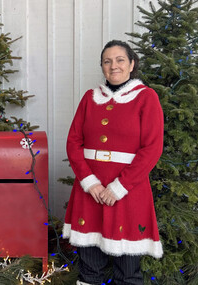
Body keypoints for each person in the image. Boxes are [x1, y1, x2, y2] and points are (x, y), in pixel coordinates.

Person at [63, 40, 164, 285]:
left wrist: (119, 187)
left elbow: (152, 149)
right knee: (89, 269)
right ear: (102, 67)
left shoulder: (146, 97)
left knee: (128, 272)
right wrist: (91, 184)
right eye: (107, 61)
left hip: (128, 193)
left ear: (131, 64)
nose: (113, 66)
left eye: (120, 60)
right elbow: (73, 143)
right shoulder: (89, 98)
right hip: (91, 193)